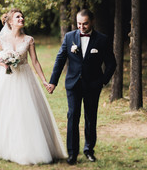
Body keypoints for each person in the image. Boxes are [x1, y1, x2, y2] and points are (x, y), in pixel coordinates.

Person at [0, 8, 66, 165]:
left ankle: (27, 148)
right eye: (18, 17)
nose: (22, 18)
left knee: (25, 112)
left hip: (25, 78)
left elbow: (35, 62)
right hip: (7, 79)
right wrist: (5, 63)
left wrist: (44, 81)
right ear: (10, 22)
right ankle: (1, 146)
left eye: (22, 16)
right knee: (4, 112)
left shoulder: (29, 39)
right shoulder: (1, 40)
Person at [48, 9, 116, 165]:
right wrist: (53, 81)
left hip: (93, 85)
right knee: (72, 116)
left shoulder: (102, 39)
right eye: (79, 23)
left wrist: (103, 81)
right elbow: (60, 59)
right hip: (73, 84)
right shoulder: (69, 37)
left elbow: (112, 63)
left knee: (90, 118)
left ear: (91, 21)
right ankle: (72, 153)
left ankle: (89, 150)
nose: (82, 27)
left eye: (85, 23)